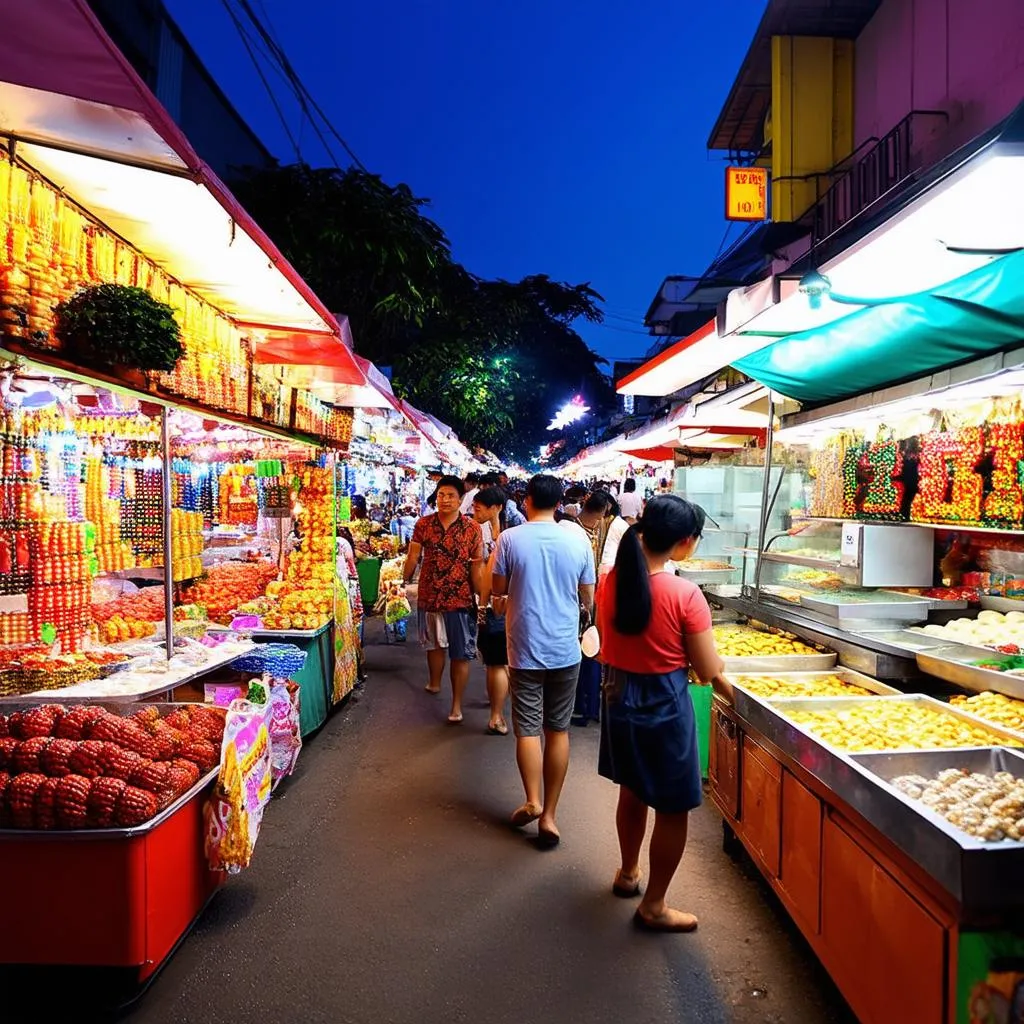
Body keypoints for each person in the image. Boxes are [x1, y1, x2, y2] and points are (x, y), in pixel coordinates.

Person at [597, 495, 732, 933]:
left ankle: (628, 872)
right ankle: (653, 904)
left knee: (632, 791)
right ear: (685, 542)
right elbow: (709, 670)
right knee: (673, 808)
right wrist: (728, 687)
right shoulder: (684, 593)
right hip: (663, 703)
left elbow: (612, 643)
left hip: (618, 696)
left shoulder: (613, 582)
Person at [492, 474, 595, 847]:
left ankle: (532, 800)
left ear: (528, 500)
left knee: (528, 730)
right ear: (561, 502)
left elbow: (498, 591)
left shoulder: (510, 539)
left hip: (524, 646)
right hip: (565, 648)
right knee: (558, 730)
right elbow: (588, 596)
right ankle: (549, 816)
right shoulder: (578, 538)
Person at [403, 476, 484, 724]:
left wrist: (482, 598)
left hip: (460, 597)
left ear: (460, 500)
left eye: (450, 495)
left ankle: (456, 705)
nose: (445, 500)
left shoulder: (472, 528)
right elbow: (413, 556)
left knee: (460, 653)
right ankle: (435, 681)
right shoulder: (423, 524)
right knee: (434, 644)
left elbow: (476, 567)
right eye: (441, 495)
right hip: (430, 593)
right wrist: (402, 581)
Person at [472, 486, 511, 735]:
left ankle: (496, 716)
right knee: (499, 661)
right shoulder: (482, 529)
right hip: (499, 603)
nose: (474, 511)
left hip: (498, 603)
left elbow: (487, 573)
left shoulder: (507, 534)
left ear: (496, 508)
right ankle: (497, 709)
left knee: (497, 662)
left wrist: (483, 606)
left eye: (478, 508)